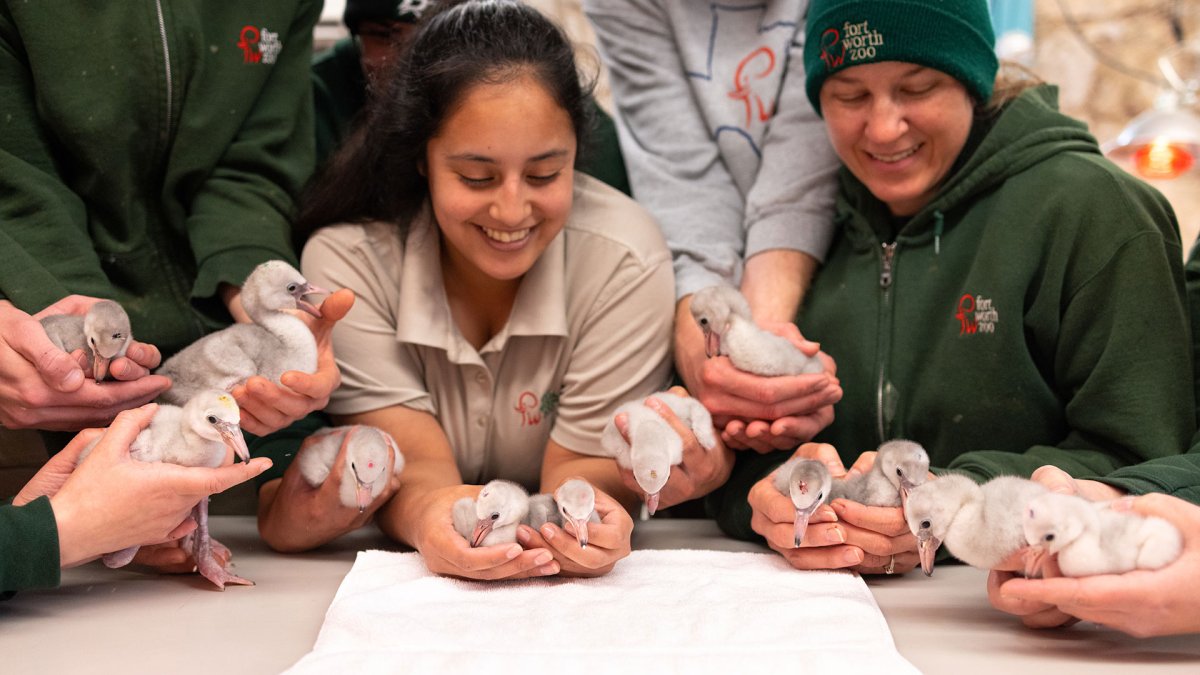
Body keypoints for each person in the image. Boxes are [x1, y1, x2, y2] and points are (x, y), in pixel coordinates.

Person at [721, 0, 1194, 577]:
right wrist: (767, 500)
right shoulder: (795, 232)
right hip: (811, 614)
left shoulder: (1095, 213)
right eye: (849, 95)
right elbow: (725, 455)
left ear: (973, 80)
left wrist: (950, 506)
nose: (883, 127)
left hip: (1008, 618)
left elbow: (1143, 457)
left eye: (918, 89)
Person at [256, 1, 730, 576]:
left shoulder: (625, 258)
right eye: (476, 177)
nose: (511, 210)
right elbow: (417, 467)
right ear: (421, 158)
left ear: (578, 154)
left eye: (544, 174)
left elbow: (583, 466)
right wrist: (433, 517)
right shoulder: (347, 264)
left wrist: (594, 521)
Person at [0, 1, 339, 436]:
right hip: (40, 327)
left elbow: (254, 166)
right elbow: (18, 182)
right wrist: (70, 335)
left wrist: (248, 284)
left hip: (214, 326)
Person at [584, 0, 844, 453]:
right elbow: (685, 184)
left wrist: (755, 357)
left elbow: (796, 187)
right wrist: (715, 373)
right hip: (691, 266)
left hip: (833, 255)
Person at [313, 0, 632, 194]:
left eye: (433, 38)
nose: (408, 58)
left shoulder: (533, 87)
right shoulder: (321, 94)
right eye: (384, 36)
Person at [1, 405, 272, 598]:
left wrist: (29, 516)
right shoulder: (153, 440)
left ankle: (202, 555)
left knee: (199, 488)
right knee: (118, 558)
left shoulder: (199, 437)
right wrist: (61, 532)